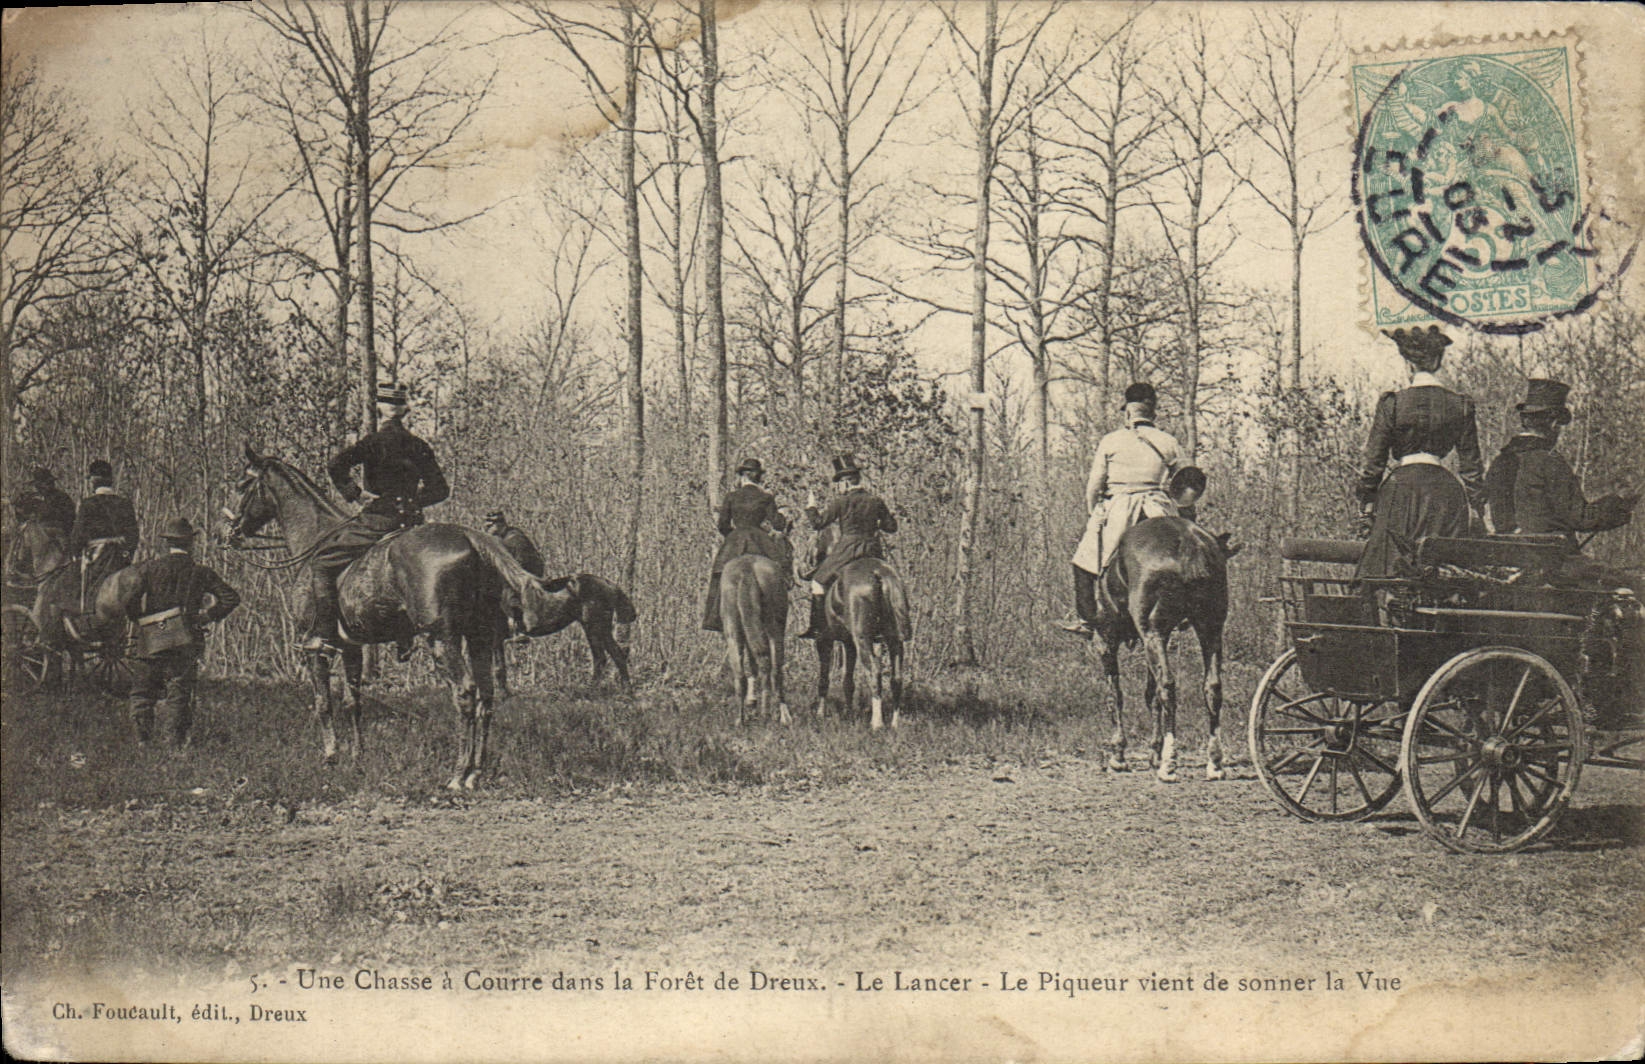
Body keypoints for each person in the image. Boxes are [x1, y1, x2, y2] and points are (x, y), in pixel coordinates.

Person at [303, 383, 450, 652]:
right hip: (413, 523)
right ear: (404, 410)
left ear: (380, 409)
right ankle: (404, 634)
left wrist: (355, 494)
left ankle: (324, 635)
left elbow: (335, 465)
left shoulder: (373, 443)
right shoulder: (419, 445)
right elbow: (441, 490)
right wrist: (412, 501)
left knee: (322, 561)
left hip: (379, 519)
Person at [1353, 326, 1484, 580]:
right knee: (1446, 572)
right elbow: (1471, 467)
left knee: (1383, 568)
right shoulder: (1460, 405)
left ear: (1408, 364)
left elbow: (1374, 462)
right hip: (1446, 493)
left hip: (1401, 491)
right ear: (1438, 362)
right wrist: (1478, 508)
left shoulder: (1393, 403)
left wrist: (1366, 504)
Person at [1061, 382, 1183, 637]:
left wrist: (1094, 512)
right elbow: (1187, 482)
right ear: (1154, 411)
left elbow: (1094, 486)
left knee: (1083, 561)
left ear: (1127, 411)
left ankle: (1087, 620)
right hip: (1158, 508)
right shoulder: (1169, 442)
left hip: (1118, 508)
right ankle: (1183, 613)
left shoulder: (1111, 441)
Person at [1484, 378, 1637, 572]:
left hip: (1510, 562)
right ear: (1554, 423)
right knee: (1630, 585)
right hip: (1551, 565)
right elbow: (1581, 518)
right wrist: (1619, 504)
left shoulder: (1499, 462)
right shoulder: (1550, 461)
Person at [124, 517, 241, 748]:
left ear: (167, 543)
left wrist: (141, 620)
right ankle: (174, 744)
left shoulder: (149, 568)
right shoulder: (200, 572)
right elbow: (231, 598)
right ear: (191, 544)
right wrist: (206, 616)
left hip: (153, 635)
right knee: (179, 690)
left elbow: (129, 601)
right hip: (186, 637)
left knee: (142, 691)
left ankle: (143, 741)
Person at [799, 455, 896, 640]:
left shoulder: (841, 502)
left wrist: (811, 507)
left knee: (818, 582)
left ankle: (818, 628)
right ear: (857, 479)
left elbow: (818, 523)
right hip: (873, 549)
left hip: (847, 549)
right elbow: (891, 527)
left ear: (844, 482)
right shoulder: (875, 500)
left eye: (839, 483)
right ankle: (886, 627)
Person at [703, 458, 792, 632]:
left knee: (719, 574)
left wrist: (732, 537)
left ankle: (714, 617)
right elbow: (778, 525)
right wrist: (781, 514)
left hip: (736, 539)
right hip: (760, 540)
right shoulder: (766, 497)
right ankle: (778, 614)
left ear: (742, 476)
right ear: (758, 478)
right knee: (781, 570)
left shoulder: (731, 497)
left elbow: (722, 524)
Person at [70, 459, 140, 610]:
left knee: (75, 586)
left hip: (97, 557)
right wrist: (127, 553)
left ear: (94, 481)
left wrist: (75, 554)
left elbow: (77, 536)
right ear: (111, 481)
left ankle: (84, 613)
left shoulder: (87, 504)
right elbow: (134, 534)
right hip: (121, 557)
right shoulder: (124, 503)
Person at [486, 508, 545, 645]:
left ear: (499, 525)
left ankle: (520, 629)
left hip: (529, 572)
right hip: (519, 571)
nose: (488, 530)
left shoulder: (514, 538)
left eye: (490, 526)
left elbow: (522, 562)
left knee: (509, 594)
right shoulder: (502, 539)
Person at [7, 466, 76, 575]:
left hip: (57, 532)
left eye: (46, 484)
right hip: (48, 532)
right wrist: (19, 505)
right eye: (40, 485)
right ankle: (20, 562)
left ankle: (21, 561)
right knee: (23, 530)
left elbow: (70, 517)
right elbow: (21, 515)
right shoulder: (36, 498)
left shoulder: (61, 497)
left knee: (28, 529)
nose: (41, 487)